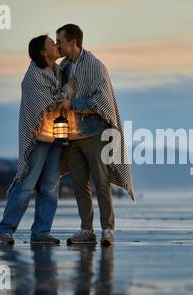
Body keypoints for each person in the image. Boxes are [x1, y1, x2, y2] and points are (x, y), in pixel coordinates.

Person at [55, 24, 135, 246]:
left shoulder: (96, 66)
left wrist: (73, 102)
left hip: (94, 132)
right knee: (80, 185)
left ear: (73, 42)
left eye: (59, 41)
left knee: (101, 182)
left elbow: (102, 102)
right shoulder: (63, 68)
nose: (57, 45)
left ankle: (107, 230)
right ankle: (86, 230)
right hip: (71, 136)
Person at [0, 35, 75, 245]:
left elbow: (59, 99)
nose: (57, 46)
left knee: (50, 187)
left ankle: (41, 233)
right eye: (52, 44)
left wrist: (65, 91)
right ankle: (5, 230)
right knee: (26, 184)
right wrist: (67, 91)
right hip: (37, 137)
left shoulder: (58, 72)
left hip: (57, 134)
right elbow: (51, 102)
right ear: (42, 52)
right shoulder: (33, 76)